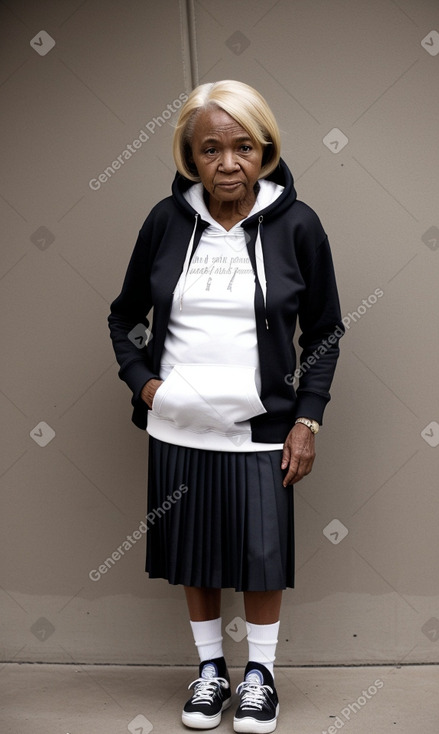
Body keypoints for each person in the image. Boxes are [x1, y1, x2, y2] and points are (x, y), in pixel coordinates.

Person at [108, 79, 343, 733]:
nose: (228, 162)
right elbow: (124, 315)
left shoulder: (296, 224)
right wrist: (144, 383)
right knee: (195, 551)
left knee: (259, 554)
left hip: (262, 424)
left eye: (243, 146)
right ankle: (211, 671)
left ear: (264, 148)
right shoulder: (165, 222)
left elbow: (324, 329)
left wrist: (306, 415)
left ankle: (260, 677)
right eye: (211, 148)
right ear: (191, 154)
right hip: (179, 422)